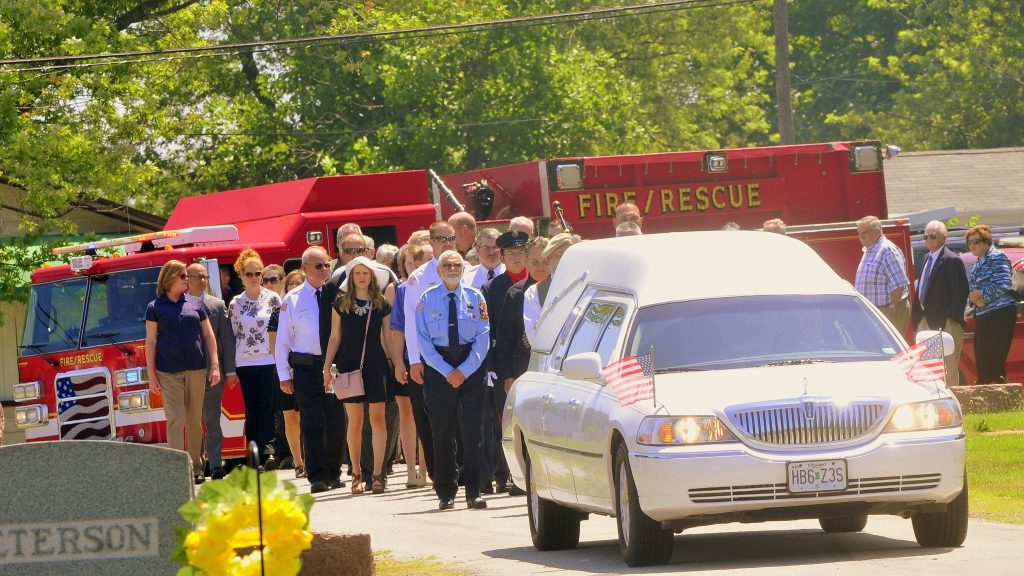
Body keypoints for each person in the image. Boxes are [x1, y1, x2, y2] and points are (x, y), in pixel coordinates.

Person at [415, 250, 491, 510]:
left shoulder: (475, 297)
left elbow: (483, 337)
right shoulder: (427, 299)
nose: (452, 269)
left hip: (471, 365)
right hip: (439, 367)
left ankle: (474, 492)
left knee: (473, 432)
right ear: (438, 270)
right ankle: (446, 492)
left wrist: (465, 370)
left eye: (456, 265)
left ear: (463, 268)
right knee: (442, 431)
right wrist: (447, 371)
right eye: (446, 265)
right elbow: (423, 342)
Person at [275, 246, 346, 494]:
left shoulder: (335, 294)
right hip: (306, 367)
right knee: (312, 421)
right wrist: (284, 375)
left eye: (327, 265)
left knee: (336, 419)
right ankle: (316, 475)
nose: (324, 270)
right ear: (304, 269)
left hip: (333, 366)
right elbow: (283, 340)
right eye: (319, 266)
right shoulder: (292, 300)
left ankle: (334, 471)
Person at [145, 259, 221, 484]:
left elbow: (208, 336)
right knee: (175, 418)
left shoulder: (196, 304)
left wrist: (214, 365)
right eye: (183, 276)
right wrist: (151, 375)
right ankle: (178, 469)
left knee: (194, 420)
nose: (187, 280)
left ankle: (197, 468)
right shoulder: (154, 307)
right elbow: (150, 342)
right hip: (168, 371)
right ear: (169, 279)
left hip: (196, 369)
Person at [323, 257, 394, 494]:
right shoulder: (341, 303)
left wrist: (396, 363)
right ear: (351, 277)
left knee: (377, 419)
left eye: (366, 273)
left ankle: (378, 474)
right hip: (349, 364)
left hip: (376, 364)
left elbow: (388, 336)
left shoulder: (381, 303)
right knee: (354, 422)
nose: (362, 277)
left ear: (372, 277)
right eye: (357, 273)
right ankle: (355, 473)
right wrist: (326, 368)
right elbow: (335, 337)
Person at [479, 230, 529, 494]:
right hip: (503, 363)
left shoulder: (536, 281)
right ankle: (507, 473)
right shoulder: (491, 288)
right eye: (511, 254)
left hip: (530, 361)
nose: (517, 258)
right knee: (504, 422)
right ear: (503, 257)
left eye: (521, 253)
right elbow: (487, 330)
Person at [228, 249, 283, 470]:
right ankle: (254, 455)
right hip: (245, 362)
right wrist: (230, 368)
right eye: (249, 273)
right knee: (252, 410)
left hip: (269, 359)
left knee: (268, 407)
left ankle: (270, 451)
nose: (254, 277)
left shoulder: (273, 298)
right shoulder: (235, 304)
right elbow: (233, 335)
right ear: (241, 276)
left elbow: (281, 329)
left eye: (257, 273)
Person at [186, 263, 236, 480]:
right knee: (192, 421)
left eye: (205, 277)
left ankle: (215, 465)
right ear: (186, 278)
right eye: (198, 277)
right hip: (186, 374)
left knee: (212, 420)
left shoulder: (217, 305)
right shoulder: (176, 304)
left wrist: (231, 371)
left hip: (212, 373)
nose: (203, 281)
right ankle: (196, 468)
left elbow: (227, 339)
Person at [390, 243, 434, 487]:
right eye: (413, 261)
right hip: (412, 359)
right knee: (412, 415)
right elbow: (397, 329)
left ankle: (428, 469)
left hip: (438, 361)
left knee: (429, 417)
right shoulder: (403, 290)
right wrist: (398, 361)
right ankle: (411, 469)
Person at [910, 220, 970, 385]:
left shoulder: (951, 260)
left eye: (933, 235)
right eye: (926, 235)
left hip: (946, 324)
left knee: (947, 369)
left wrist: (949, 319)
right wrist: (918, 321)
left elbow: (961, 293)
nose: (928, 239)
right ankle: (933, 406)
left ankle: (951, 407)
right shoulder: (926, 259)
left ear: (944, 238)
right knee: (928, 369)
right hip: (925, 322)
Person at [404, 221, 459, 387]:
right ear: (431, 242)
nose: (448, 243)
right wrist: (414, 359)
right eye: (442, 239)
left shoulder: (468, 270)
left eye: (451, 238)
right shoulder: (418, 278)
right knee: (439, 410)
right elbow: (411, 320)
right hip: (433, 353)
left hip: (465, 352)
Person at [965, 224, 1016, 384]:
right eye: (969, 242)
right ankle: (989, 396)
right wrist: (975, 300)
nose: (972, 245)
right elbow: (973, 290)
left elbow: (1004, 284)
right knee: (982, 359)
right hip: (984, 314)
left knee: (994, 360)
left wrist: (981, 296)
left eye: (976, 241)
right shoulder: (976, 263)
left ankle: (1001, 397)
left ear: (987, 242)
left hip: (1000, 313)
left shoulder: (997, 257)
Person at [271, 269, 307, 478]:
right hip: (285, 368)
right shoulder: (280, 311)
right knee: (290, 419)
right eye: (290, 284)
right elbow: (274, 345)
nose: (294, 287)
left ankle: (311, 458)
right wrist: (285, 368)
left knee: (309, 417)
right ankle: (298, 461)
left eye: (298, 283)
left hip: (307, 368)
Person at [855, 215, 910, 333]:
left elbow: (899, 284)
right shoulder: (869, 250)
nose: (861, 237)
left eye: (865, 232)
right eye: (859, 233)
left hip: (887, 311)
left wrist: (892, 307)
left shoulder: (887, 250)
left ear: (877, 231)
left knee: (890, 350)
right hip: (874, 312)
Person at [524, 232, 576, 344]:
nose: (565, 258)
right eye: (559, 254)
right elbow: (534, 337)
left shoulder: (589, 282)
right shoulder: (535, 292)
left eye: (570, 254)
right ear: (549, 258)